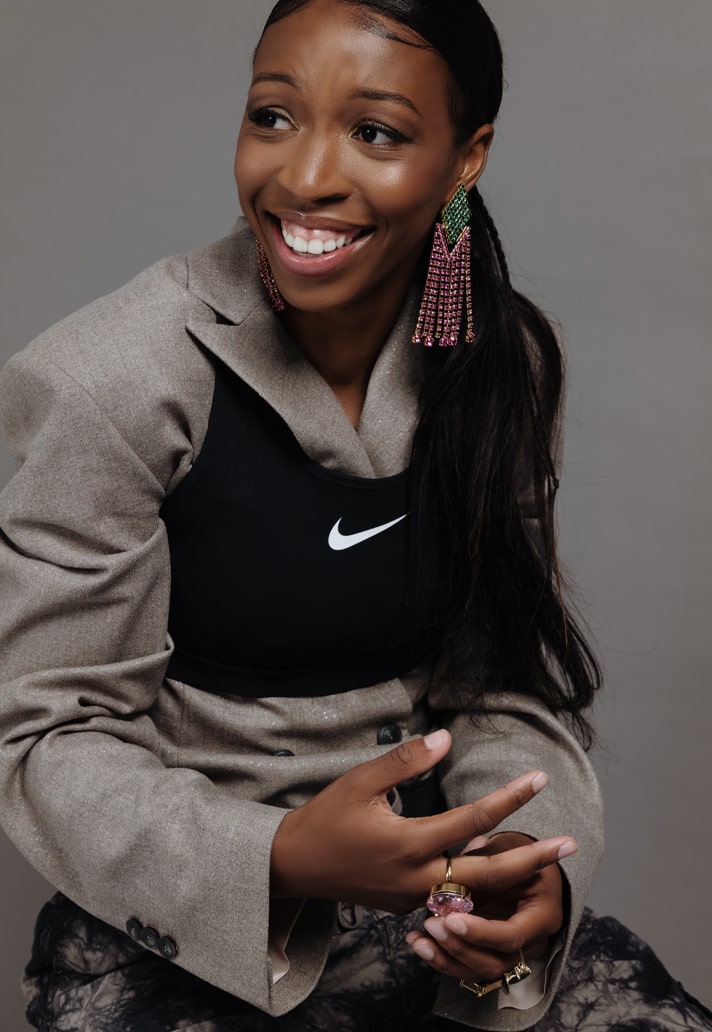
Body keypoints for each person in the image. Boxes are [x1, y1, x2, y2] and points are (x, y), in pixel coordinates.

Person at [0, 1, 710, 1030]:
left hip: (430, 910)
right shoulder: (106, 380)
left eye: (374, 131)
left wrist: (522, 863)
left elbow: (500, 682)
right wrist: (281, 856)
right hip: (186, 927)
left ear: (466, 158)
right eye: (273, 116)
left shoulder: (505, 361)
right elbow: (47, 736)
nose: (304, 176)